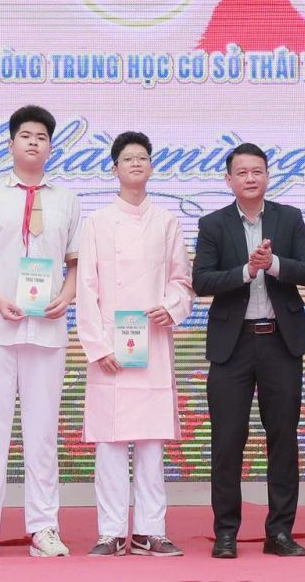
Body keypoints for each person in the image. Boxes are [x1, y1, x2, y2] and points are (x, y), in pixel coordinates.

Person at [0, 105, 83, 560]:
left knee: (43, 434)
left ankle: (44, 527)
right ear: (10, 144)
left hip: (46, 330)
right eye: (25, 135)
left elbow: (76, 263)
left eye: (41, 137)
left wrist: (66, 296)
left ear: (50, 147)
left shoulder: (67, 200)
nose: (33, 142)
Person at [193, 142, 305, 559]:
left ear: (267, 176)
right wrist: (247, 271)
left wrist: (274, 264)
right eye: (242, 172)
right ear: (228, 179)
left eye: (257, 171)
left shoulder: (289, 218)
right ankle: (226, 533)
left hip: (280, 343)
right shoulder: (213, 224)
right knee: (227, 441)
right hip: (232, 346)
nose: (250, 178)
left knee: (282, 439)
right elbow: (202, 281)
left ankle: (279, 532)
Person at [73, 132, 195, 558]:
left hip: (152, 341)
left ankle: (149, 531)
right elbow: (86, 287)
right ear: (115, 168)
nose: (136, 163)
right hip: (110, 344)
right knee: (109, 443)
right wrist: (97, 345)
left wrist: (171, 306)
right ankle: (109, 531)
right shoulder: (96, 222)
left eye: (143, 157)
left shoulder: (167, 222)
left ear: (151, 166)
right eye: (128, 158)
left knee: (151, 443)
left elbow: (182, 280)